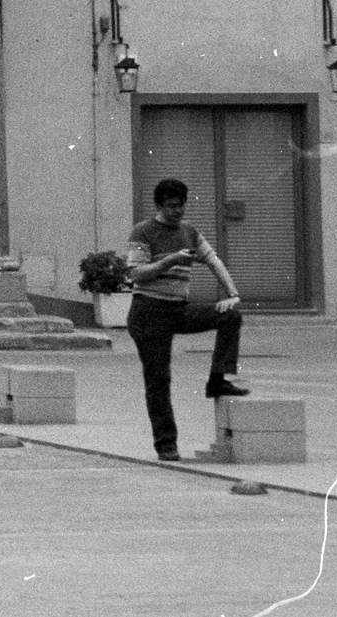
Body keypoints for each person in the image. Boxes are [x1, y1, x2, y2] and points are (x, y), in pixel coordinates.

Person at [126, 175, 250, 462]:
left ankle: (218, 379)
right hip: (149, 313)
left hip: (178, 310)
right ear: (159, 205)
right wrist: (170, 260)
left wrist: (233, 293)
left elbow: (213, 261)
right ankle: (166, 444)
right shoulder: (143, 232)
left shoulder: (189, 232)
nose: (177, 211)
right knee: (159, 381)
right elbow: (136, 274)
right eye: (171, 206)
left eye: (180, 206)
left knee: (230, 315)